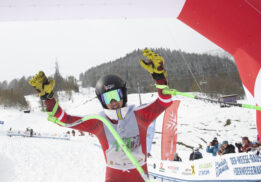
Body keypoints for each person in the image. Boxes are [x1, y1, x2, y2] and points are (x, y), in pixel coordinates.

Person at [29, 50, 173, 182]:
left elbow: (164, 102)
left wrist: (159, 76)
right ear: (101, 101)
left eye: (116, 95)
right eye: (107, 98)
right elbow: (64, 120)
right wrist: (47, 98)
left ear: (124, 94)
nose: (113, 102)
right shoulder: (99, 122)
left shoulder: (139, 115)